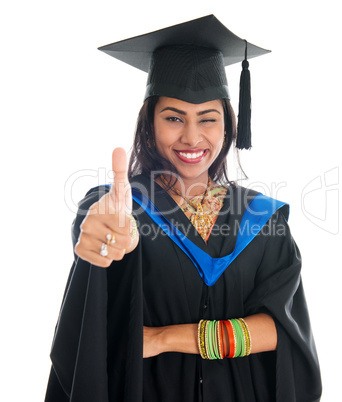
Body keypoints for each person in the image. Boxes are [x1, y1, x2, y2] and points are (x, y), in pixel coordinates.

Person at [45, 15, 322, 402]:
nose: (191, 137)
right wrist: (103, 236)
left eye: (207, 119)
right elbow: (98, 228)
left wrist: (164, 338)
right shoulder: (120, 204)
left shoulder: (262, 218)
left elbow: (280, 330)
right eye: (173, 118)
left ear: (228, 125)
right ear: (149, 123)